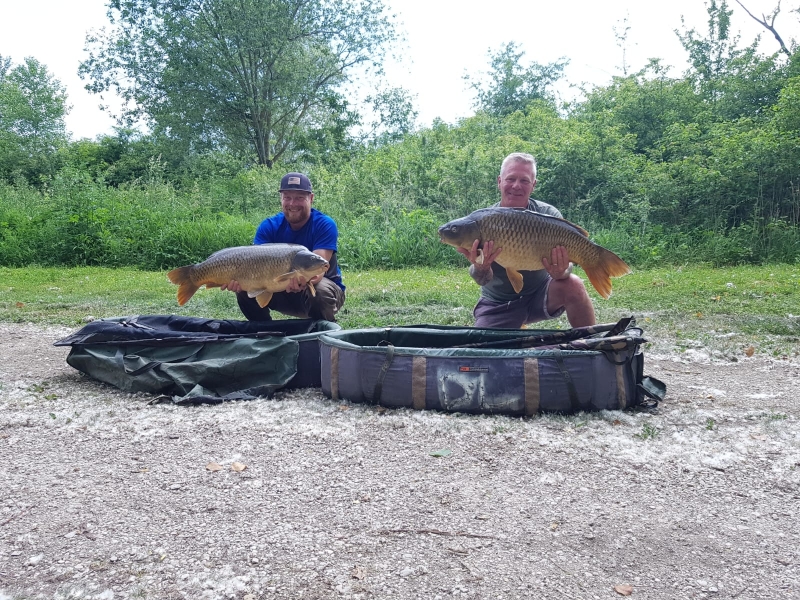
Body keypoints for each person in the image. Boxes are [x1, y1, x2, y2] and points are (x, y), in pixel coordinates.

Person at [457, 152, 596, 329]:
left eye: (524, 181)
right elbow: (482, 279)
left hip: (541, 293)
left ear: (533, 185)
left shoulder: (548, 215)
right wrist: (481, 267)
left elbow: (567, 267)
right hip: (499, 304)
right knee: (486, 354)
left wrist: (561, 272)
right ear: (499, 181)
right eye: (510, 179)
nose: (516, 186)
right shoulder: (482, 222)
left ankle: (590, 346)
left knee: (574, 284)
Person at [222, 172, 345, 322]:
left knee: (320, 291)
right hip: (278, 289)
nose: (292, 204)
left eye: (299, 197)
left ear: (311, 198)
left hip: (319, 292)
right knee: (245, 289)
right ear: (281, 199)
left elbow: (318, 272)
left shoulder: (324, 224)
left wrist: (298, 279)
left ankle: (320, 334)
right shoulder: (269, 226)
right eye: (287, 197)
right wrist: (239, 280)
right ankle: (265, 334)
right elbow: (252, 263)